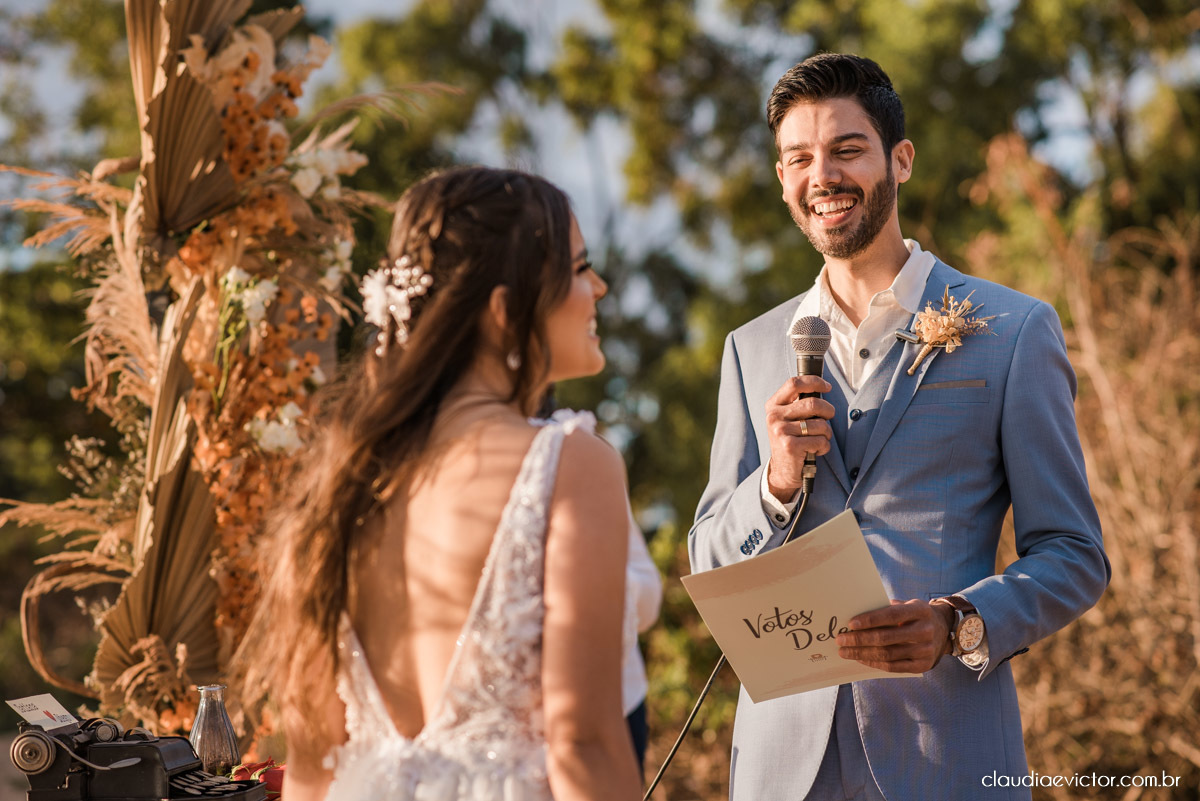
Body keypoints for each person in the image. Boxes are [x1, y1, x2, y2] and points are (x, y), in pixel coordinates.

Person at [688, 53, 1109, 801]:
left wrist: (959, 621)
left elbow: (1074, 554)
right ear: (783, 178)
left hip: (950, 757)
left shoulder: (1013, 331)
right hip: (782, 772)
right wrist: (775, 484)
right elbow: (710, 559)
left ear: (901, 160)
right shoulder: (750, 349)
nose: (822, 176)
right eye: (799, 159)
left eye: (847, 149)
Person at [245, 167, 642, 801]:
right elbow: (582, 745)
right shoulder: (569, 464)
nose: (598, 286)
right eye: (578, 267)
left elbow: (312, 765)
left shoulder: (338, 485)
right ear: (504, 312)